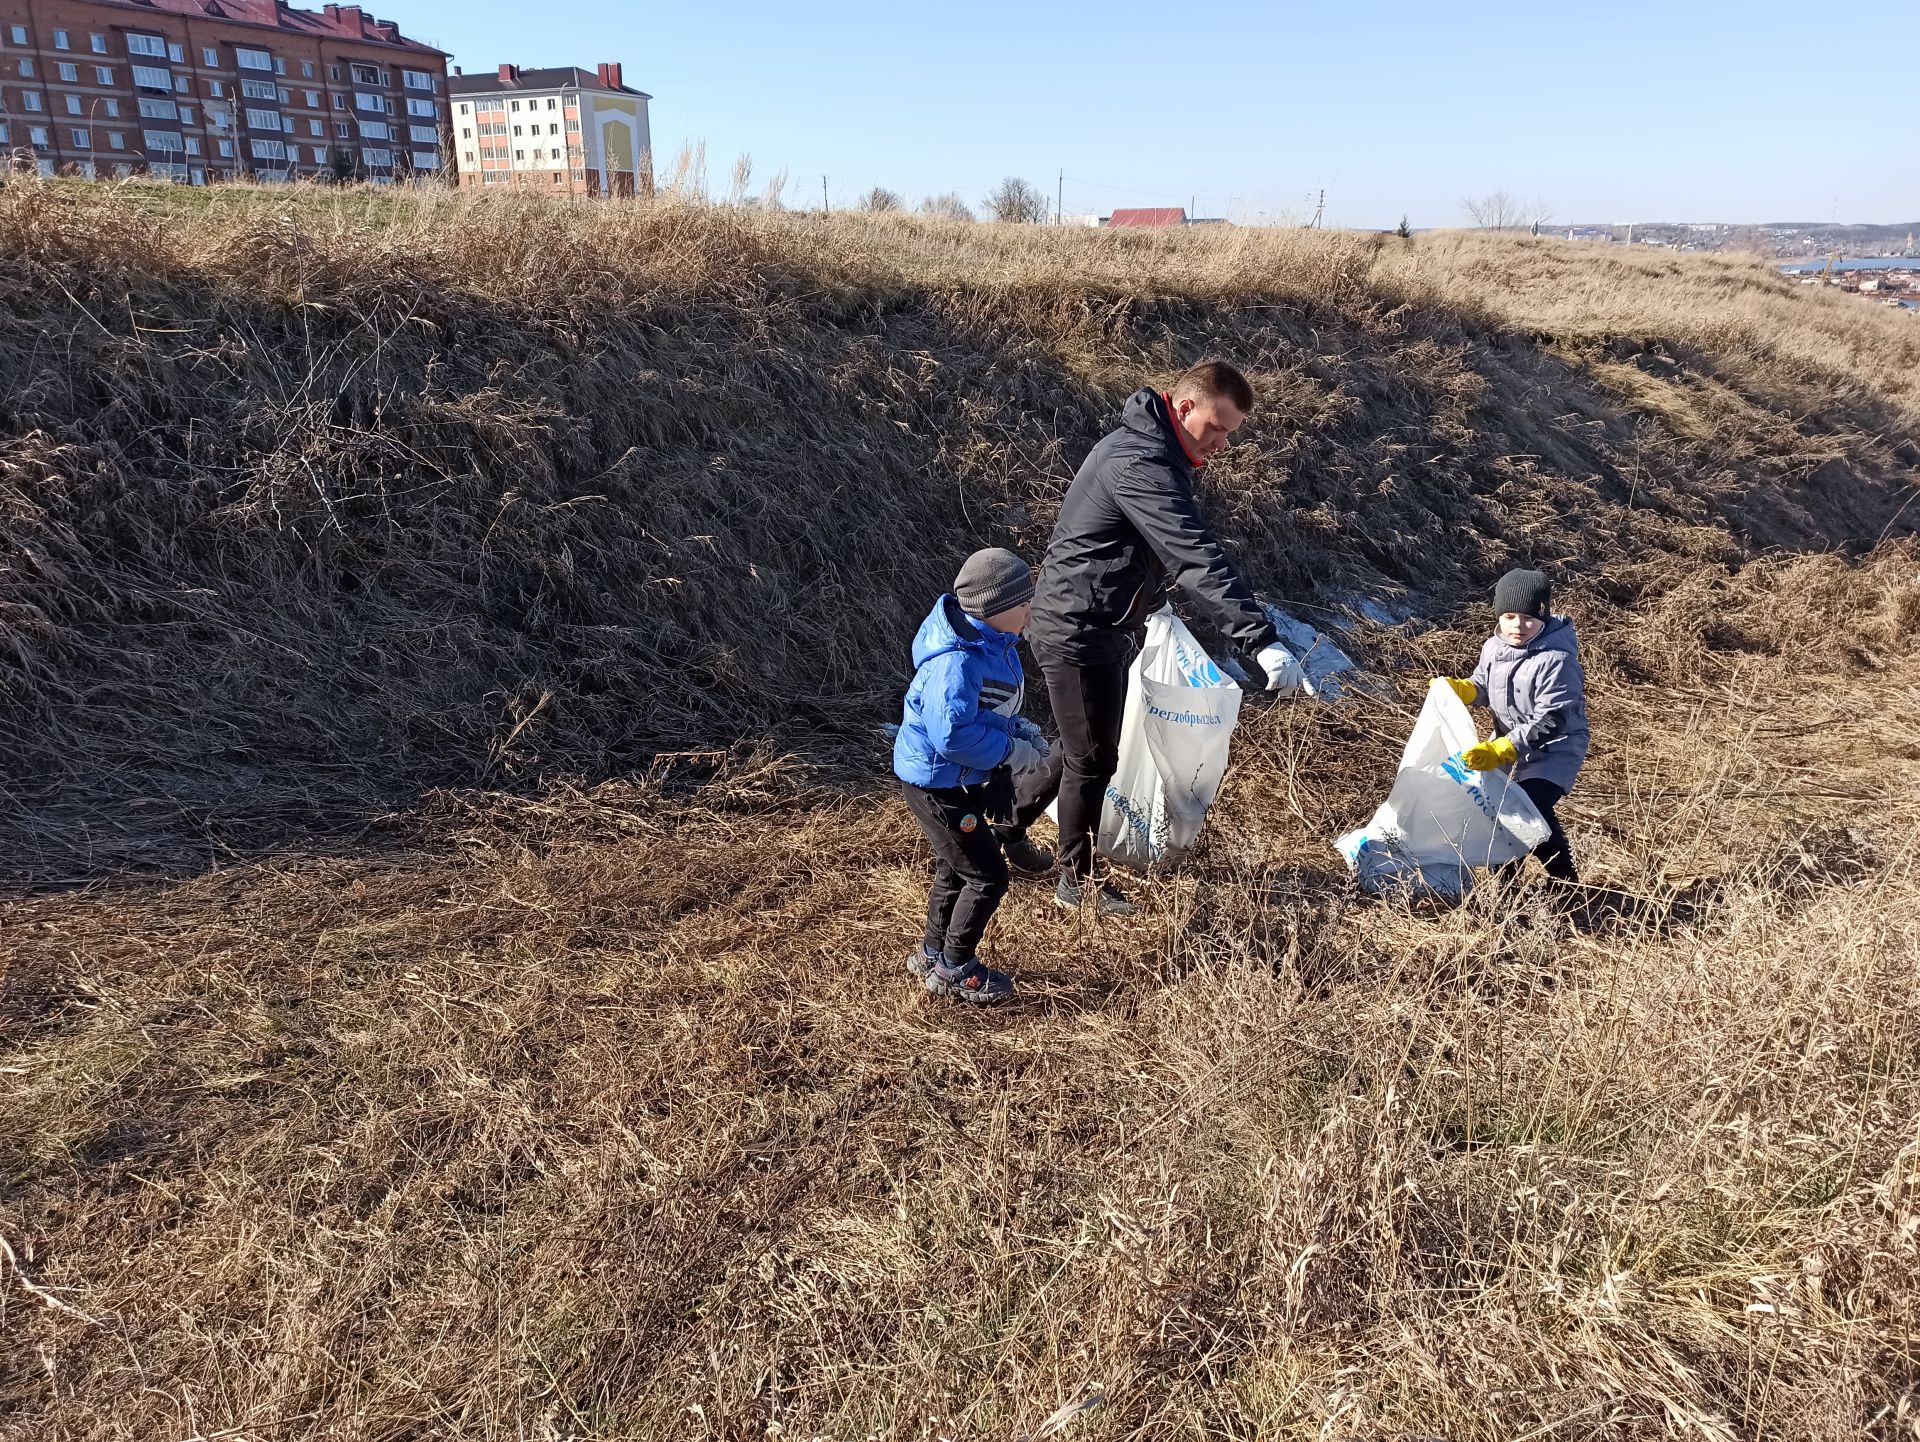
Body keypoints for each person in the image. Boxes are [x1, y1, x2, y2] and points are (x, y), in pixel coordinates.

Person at [998, 360, 1299, 914]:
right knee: (1094, 760)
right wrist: (1260, 638)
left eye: (1231, 432)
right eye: (1218, 427)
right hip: (1077, 626)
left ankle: (1006, 826)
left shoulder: (1157, 449)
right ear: (1185, 409)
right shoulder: (1141, 461)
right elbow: (1193, 555)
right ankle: (1077, 881)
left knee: (1078, 745)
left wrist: (1150, 603)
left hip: (1098, 620)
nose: (1224, 442)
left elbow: (1122, 544)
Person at [893, 548, 1054, 1004]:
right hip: (936, 782)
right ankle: (954, 968)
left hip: (953, 779)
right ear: (996, 607)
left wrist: (1015, 726)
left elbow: (980, 710)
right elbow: (952, 735)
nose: (1031, 610)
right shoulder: (957, 661)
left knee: (955, 866)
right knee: (987, 875)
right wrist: (1010, 750)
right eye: (1025, 604)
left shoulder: (991, 643)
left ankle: (931, 953)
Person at [1438, 568, 1591, 884]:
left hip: (1555, 749)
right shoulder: (1493, 648)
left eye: (1528, 618)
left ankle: (1550, 883)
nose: (1518, 626)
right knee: (1509, 811)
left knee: (1521, 811)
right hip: (1508, 746)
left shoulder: (1557, 660)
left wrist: (1503, 748)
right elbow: (1483, 684)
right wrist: (1464, 690)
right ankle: (1519, 885)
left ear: (1543, 616)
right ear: (1499, 616)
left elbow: (1553, 719)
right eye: (1509, 616)